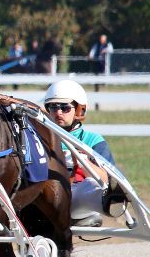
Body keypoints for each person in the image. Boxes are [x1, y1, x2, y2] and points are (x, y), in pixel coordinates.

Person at [43, 79, 117, 228]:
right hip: (46, 197)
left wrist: (83, 161)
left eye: (65, 108)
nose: (58, 112)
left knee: (91, 184)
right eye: (53, 107)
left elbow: (107, 179)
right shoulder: (40, 138)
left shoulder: (92, 140)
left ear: (79, 110)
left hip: (78, 195)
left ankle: (105, 206)